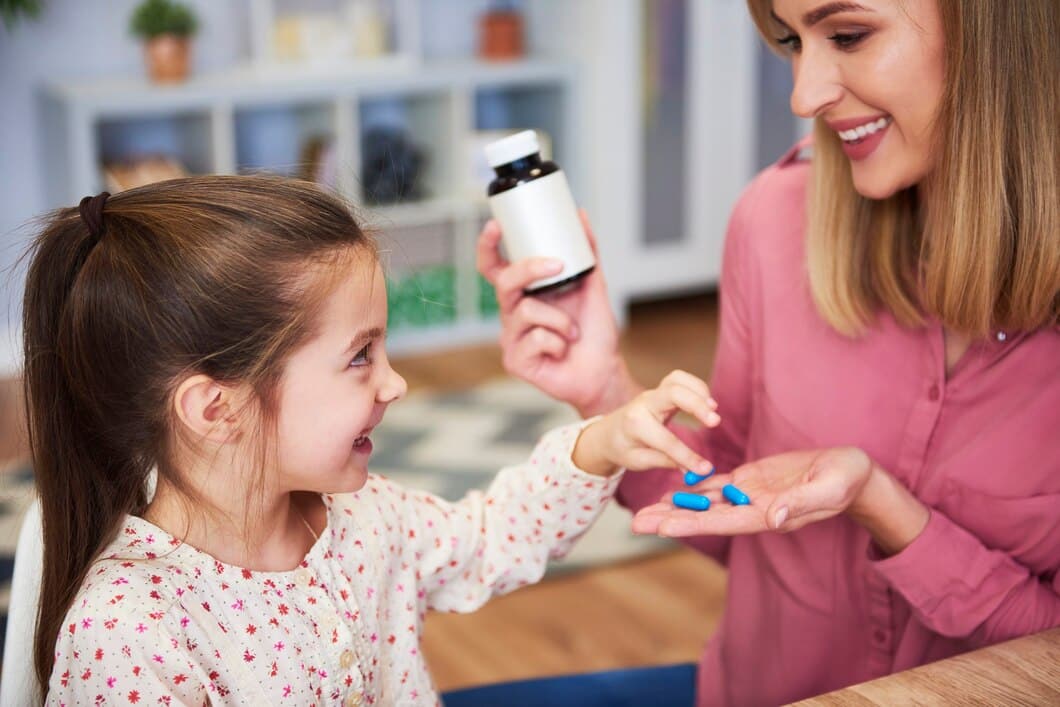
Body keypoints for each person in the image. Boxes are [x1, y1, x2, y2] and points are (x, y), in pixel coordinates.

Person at [476, 0, 1059, 704]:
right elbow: (731, 506)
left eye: (848, 35)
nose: (804, 93)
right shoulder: (774, 220)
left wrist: (887, 508)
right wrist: (604, 388)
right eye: (792, 41)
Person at [24, 175, 721, 705]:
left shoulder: (363, 519)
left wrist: (600, 440)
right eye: (360, 356)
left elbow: (490, 538)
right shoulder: (128, 632)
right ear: (216, 408)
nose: (395, 386)